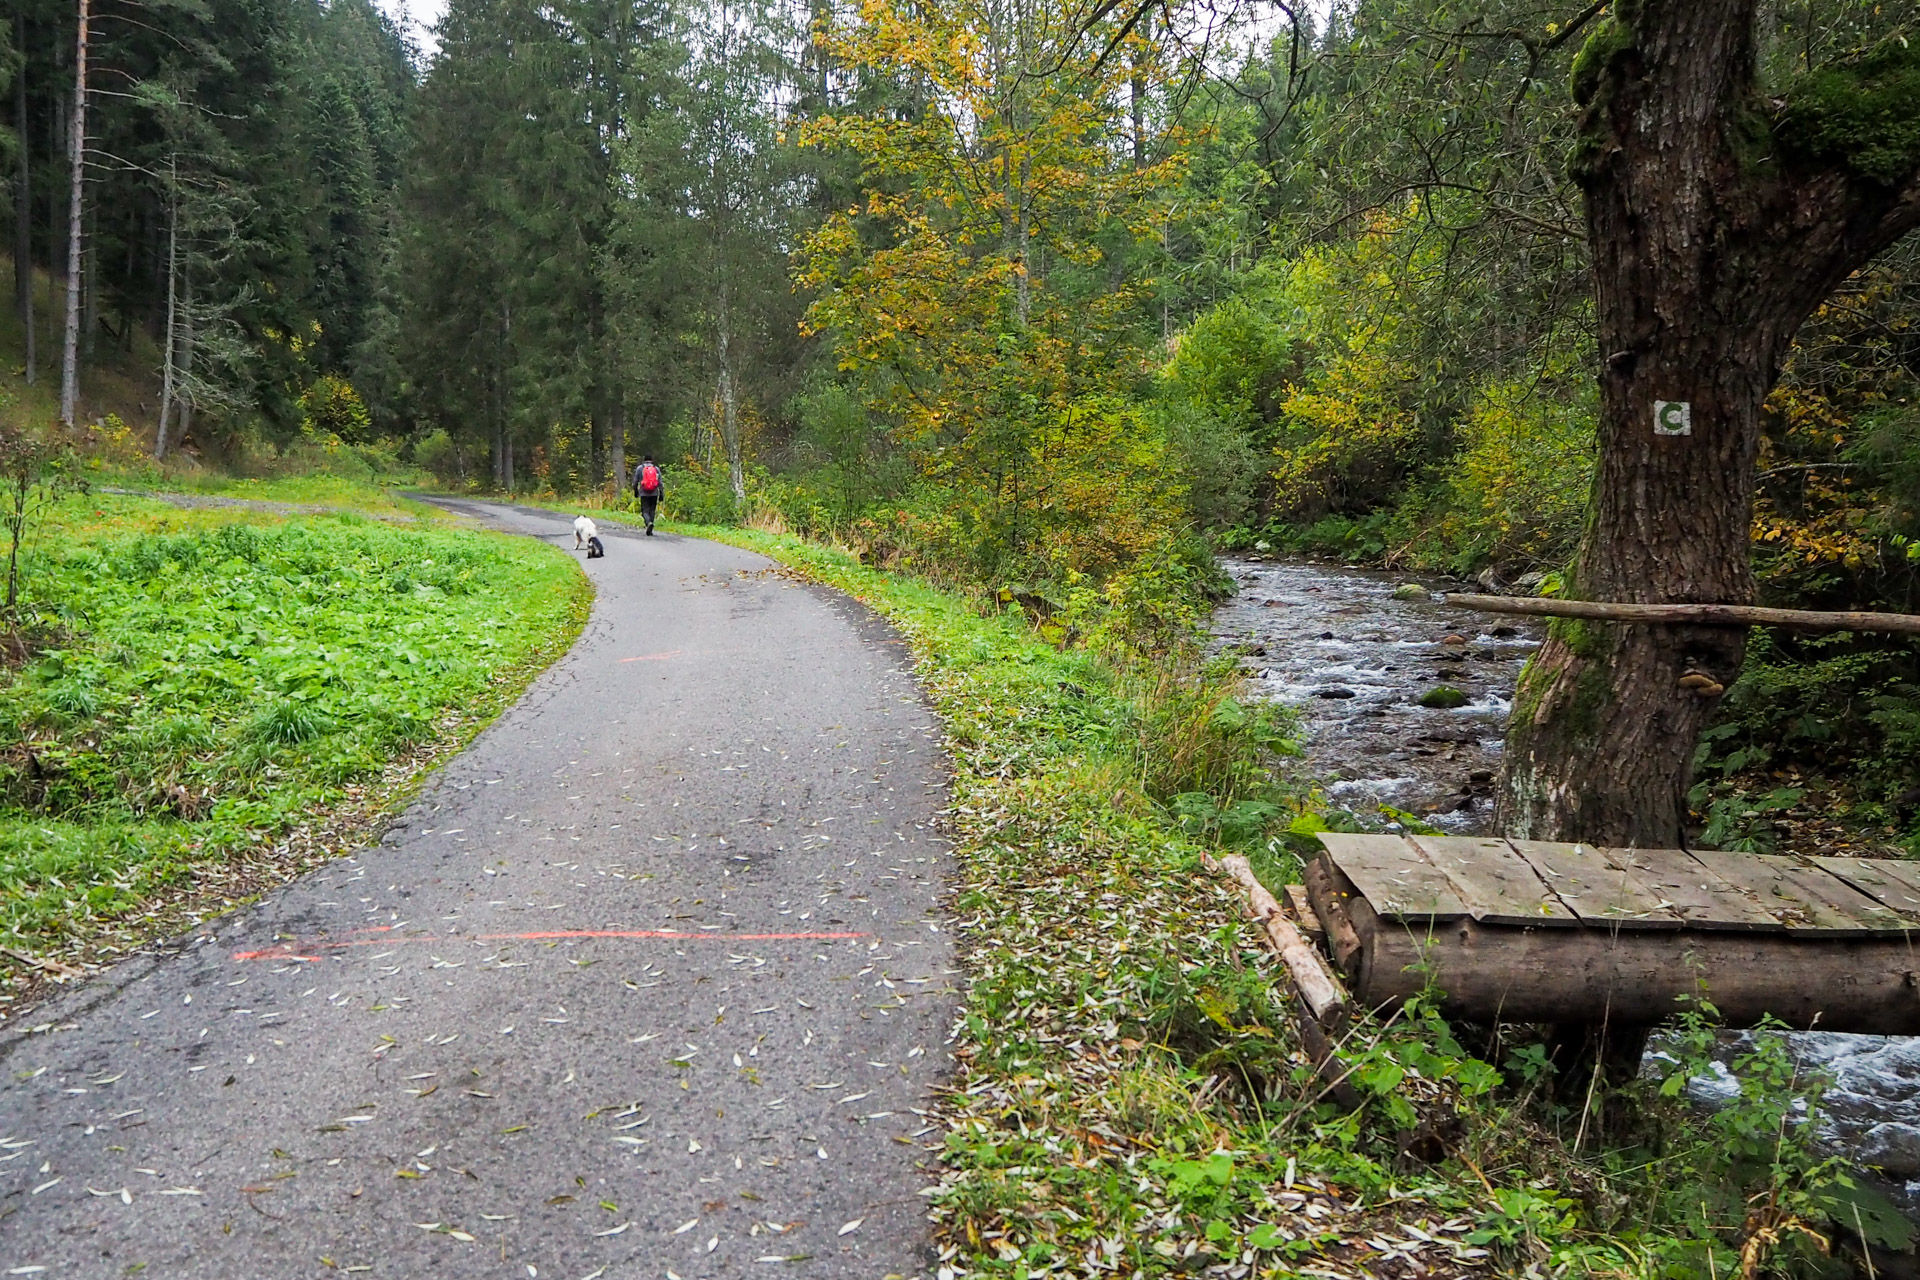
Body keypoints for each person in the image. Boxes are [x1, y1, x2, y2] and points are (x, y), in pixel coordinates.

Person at [632, 454, 664, 536]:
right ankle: (651, 526)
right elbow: (660, 482)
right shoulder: (656, 469)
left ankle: (648, 523)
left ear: (644, 460)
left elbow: (635, 482)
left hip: (644, 493)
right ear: (651, 460)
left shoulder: (640, 468)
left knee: (644, 510)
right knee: (652, 510)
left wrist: (635, 491)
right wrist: (661, 494)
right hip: (654, 493)